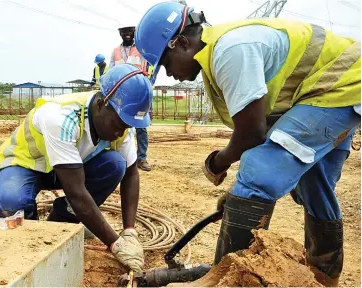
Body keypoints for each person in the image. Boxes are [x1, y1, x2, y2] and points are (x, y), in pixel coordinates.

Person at [135, 1, 361, 286]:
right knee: (314, 185)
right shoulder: (223, 50)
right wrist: (239, 195)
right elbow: (264, 127)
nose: (169, 74)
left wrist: (218, 162)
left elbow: (253, 132)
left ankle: (224, 280)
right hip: (345, 85)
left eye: (165, 64)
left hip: (338, 87)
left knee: (258, 172)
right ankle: (323, 277)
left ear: (180, 43)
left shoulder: (230, 51)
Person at [0, 64, 153, 273]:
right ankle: (29, 238)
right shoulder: (61, 118)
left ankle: (60, 224)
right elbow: (76, 192)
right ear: (102, 105)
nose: (122, 131)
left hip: (66, 170)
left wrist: (129, 231)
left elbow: (130, 174)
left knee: (115, 165)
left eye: (128, 125)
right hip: (26, 164)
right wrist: (115, 244)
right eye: (119, 123)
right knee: (10, 203)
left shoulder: (121, 127)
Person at [111, 23, 154, 172]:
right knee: (117, 125)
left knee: (141, 126)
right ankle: (119, 157)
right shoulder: (116, 51)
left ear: (134, 32)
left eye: (129, 30)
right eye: (123, 31)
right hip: (121, 95)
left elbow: (152, 67)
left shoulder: (142, 49)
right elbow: (111, 72)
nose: (126, 33)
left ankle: (141, 158)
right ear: (120, 33)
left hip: (139, 93)